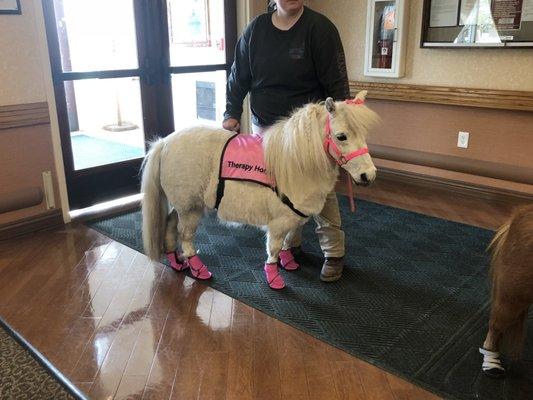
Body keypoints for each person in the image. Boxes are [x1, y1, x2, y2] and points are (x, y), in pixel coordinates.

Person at [223, 0, 350, 282]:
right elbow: (238, 75)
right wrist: (231, 112)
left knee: (320, 191)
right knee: (279, 190)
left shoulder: (320, 29)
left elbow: (338, 85)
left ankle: (334, 252)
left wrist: (343, 124)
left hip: (309, 135)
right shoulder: (256, 30)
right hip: (266, 130)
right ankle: (289, 245)